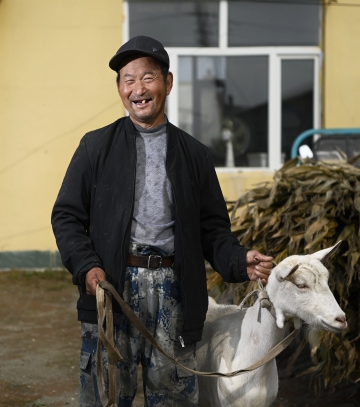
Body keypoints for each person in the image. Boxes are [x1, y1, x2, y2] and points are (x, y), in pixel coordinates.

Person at [51, 36, 273, 407]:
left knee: (172, 399)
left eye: (147, 78)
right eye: (128, 80)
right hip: (114, 290)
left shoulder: (195, 155)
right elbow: (67, 216)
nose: (138, 89)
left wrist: (239, 260)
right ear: (120, 88)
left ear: (167, 83)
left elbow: (213, 230)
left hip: (176, 294)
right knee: (105, 396)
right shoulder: (95, 147)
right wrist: (88, 268)